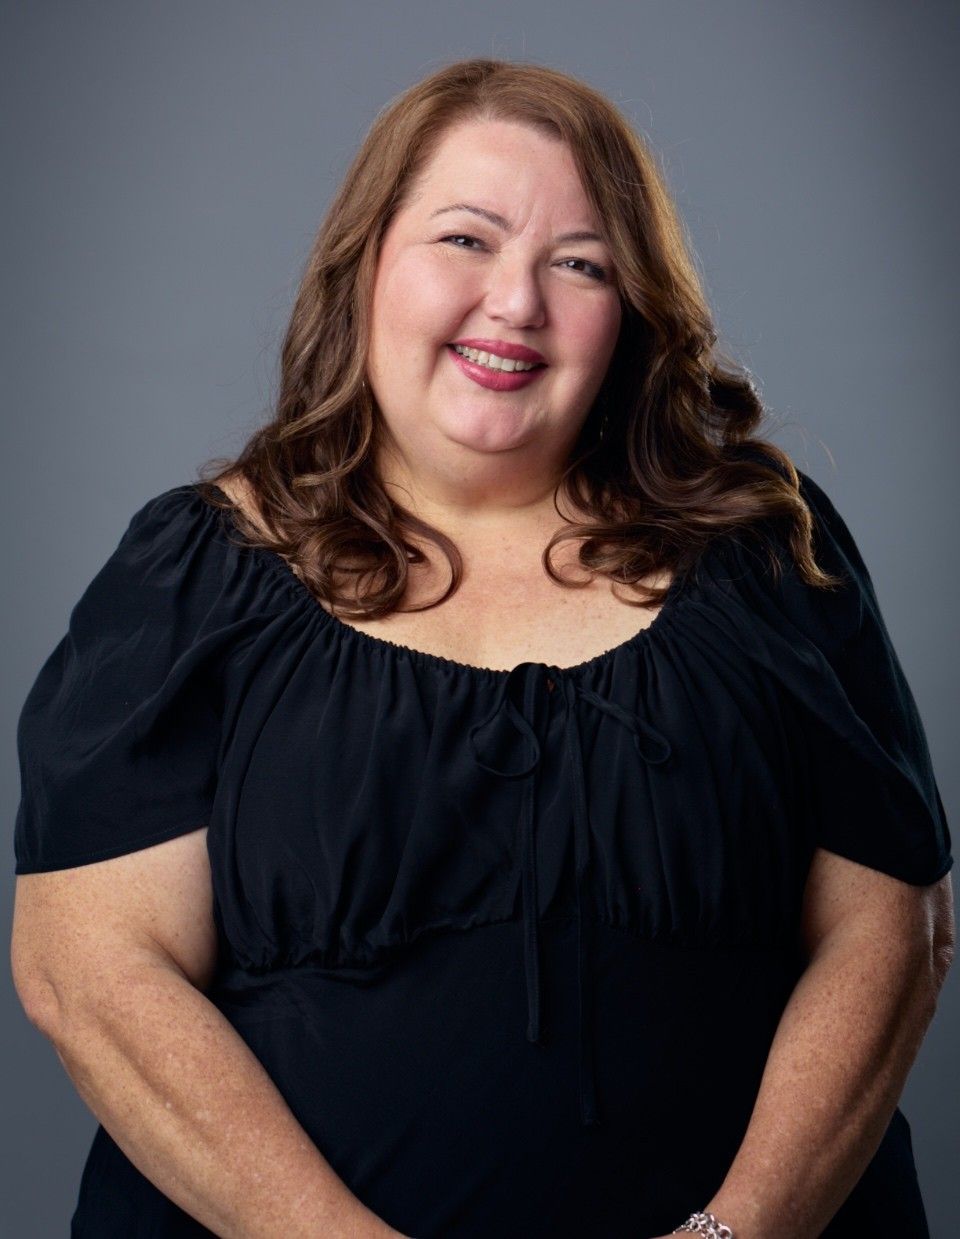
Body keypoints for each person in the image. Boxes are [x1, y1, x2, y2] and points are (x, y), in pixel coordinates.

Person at [9, 56, 954, 1239]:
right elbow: (88, 979)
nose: (518, 303)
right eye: (466, 240)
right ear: (365, 266)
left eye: (580, 264)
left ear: (632, 311)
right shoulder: (192, 579)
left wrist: (741, 1232)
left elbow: (893, 931)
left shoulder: (767, 554)